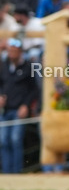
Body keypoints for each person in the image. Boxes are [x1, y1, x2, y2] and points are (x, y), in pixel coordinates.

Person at [0, 38, 39, 174]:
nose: (11, 53)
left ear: (20, 52)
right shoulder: (3, 66)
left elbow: (34, 89)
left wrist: (26, 105)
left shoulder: (28, 67)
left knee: (15, 140)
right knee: (4, 141)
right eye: (10, 50)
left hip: (19, 110)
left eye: (14, 51)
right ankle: (6, 172)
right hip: (5, 110)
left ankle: (16, 173)